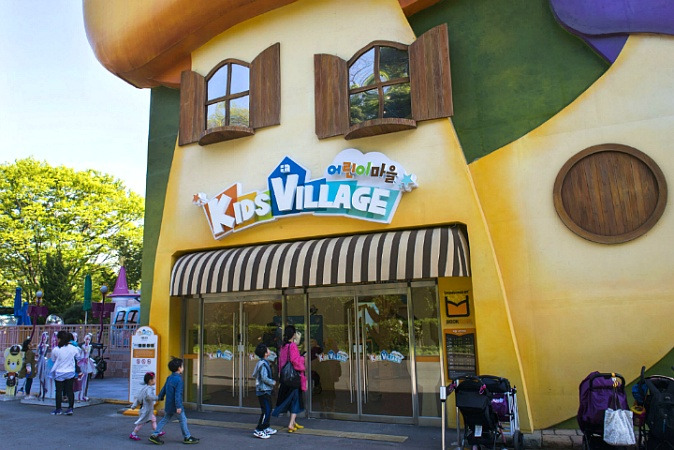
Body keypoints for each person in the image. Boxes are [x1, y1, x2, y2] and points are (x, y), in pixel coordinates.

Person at [149, 357, 199, 445]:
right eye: (182, 366)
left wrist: (160, 397)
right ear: (179, 368)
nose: (183, 367)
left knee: (165, 419)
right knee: (183, 420)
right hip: (176, 405)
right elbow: (178, 394)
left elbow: (164, 389)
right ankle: (187, 437)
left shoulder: (169, 378)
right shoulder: (179, 379)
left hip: (169, 404)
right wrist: (179, 406)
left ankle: (154, 434)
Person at [271, 325, 307, 432]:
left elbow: (281, 362)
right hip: (293, 378)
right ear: (294, 334)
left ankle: (294, 422)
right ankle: (291, 424)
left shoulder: (283, 346)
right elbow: (295, 361)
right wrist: (303, 358)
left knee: (292, 399)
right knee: (295, 400)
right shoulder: (292, 346)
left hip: (285, 377)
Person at [49, 330, 80, 415]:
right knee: (70, 390)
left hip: (59, 372)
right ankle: (70, 408)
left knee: (58, 390)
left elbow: (53, 360)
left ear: (59, 339)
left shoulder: (56, 349)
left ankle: (58, 409)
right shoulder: (73, 348)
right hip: (70, 371)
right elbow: (78, 357)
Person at [128, 372, 165, 441]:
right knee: (141, 422)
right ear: (150, 381)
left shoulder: (144, 388)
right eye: (154, 379)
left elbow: (138, 398)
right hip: (146, 410)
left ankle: (157, 431)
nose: (155, 380)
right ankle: (133, 433)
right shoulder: (149, 389)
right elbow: (149, 396)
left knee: (153, 420)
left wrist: (134, 406)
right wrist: (158, 398)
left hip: (146, 410)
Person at [252, 343, 277, 439]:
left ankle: (266, 427)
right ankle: (259, 429)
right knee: (266, 410)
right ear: (266, 353)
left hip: (264, 390)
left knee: (268, 409)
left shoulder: (263, 362)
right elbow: (264, 377)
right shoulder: (263, 364)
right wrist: (273, 382)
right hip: (263, 390)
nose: (269, 350)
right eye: (268, 349)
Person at [76, 333, 96, 401]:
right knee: (80, 379)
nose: (87, 340)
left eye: (89, 339)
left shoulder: (90, 347)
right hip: (82, 363)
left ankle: (83, 395)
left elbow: (88, 354)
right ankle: (79, 395)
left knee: (85, 380)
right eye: (86, 339)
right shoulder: (81, 346)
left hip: (86, 363)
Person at [36, 331, 50, 400]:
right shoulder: (39, 346)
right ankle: (41, 391)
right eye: (43, 337)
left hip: (45, 362)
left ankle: (44, 391)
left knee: (44, 376)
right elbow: (37, 354)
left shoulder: (47, 346)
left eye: (46, 337)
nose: (44, 339)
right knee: (40, 376)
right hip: (40, 362)